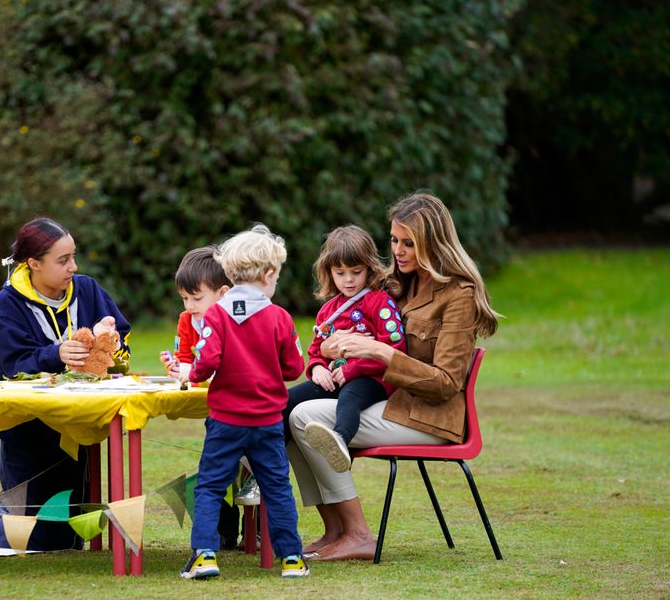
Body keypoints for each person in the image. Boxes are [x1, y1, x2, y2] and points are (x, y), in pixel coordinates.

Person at [288, 192, 500, 562]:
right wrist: (329, 358)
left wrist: (381, 352)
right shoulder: (397, 284)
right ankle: (335, 530)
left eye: (408, 244)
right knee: (293, 411)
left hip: (428, 416)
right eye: (394, 240)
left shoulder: (458, 295)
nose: (398, 251)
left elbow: (447, 383)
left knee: (305, 418)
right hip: (388, 400)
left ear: (432, 244)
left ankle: (359, 534)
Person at [177, 224, 309, 579]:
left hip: (225, 421)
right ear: (268, 274)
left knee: (209, 485)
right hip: (268, 421)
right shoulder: (280, 317)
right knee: (276, 487)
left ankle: (205, 555)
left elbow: (203, 365)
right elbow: (295, 367)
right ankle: (292, 558)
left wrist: (190, 374)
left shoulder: (217, 314)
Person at [0, 217, 130, 551]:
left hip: (77, 426)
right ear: (34, 264)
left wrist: (111, 344)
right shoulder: (8, 302)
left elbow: (122, 340)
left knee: (66, 540)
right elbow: (13, 367)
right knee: (25, 541)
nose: (74, 266)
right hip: (29, 429)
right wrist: (56, 354)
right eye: (63, 260)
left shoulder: (87, 289)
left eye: (73, 257)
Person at [284, 225, 407, 473]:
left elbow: (395, 349)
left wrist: (354, 369)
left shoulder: (379, 302)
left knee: (350, 397)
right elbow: (317, 349)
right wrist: (317, 368)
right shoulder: (329, 310)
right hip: (335, 378)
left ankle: (340, 440)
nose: (348, 279)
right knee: (287, 401)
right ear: (329, 272)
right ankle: (267, 455)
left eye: (356, 271)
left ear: (369, 268)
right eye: (340, 273)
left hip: (374, 380)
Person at [159, 246, 244, 549]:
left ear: (223, 293)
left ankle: (257, 530)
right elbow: (185, 358)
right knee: (217, 469)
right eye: (184, 298)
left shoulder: (236, 318)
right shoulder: (187, 320)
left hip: (243, 407)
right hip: (214, 407)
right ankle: (224, 531)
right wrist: (181, 370)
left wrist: (196, 371)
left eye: (197, 298)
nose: (190, 305)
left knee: (249, 470)